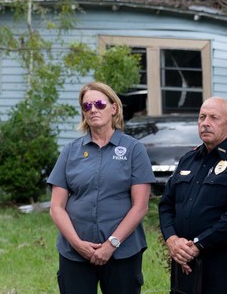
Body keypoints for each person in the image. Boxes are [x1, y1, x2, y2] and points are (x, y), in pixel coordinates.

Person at [47, 82, 153, 294]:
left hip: (123, 252)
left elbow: (140, 206)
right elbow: (56, 207)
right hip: (74, 253)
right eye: (87, 106)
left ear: (113, 108)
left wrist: (111, 244)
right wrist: (77, 244)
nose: (93, 109)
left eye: (99, 103)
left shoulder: (134, 150)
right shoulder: (71, 151)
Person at [157, 97, 227, 294]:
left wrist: (198, 245)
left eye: (214, 118)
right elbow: (166, 205)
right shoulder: (189, 160)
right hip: (185, 262)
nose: (205, 123)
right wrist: (172, 240)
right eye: (202, 117)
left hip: (224, 264)